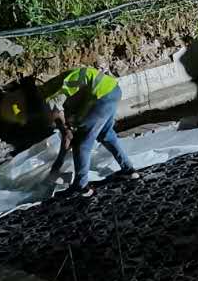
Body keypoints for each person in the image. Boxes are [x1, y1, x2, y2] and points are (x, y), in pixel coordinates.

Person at [33, 66, 139, 197]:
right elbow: (77, 108)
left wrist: (58, 163)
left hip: (101, 97)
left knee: (82, 144)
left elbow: (68, 133)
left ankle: (81, 186)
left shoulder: (53, 98)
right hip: (113, 90)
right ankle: (129, 170)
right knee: (106, 134)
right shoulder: (58, 84)